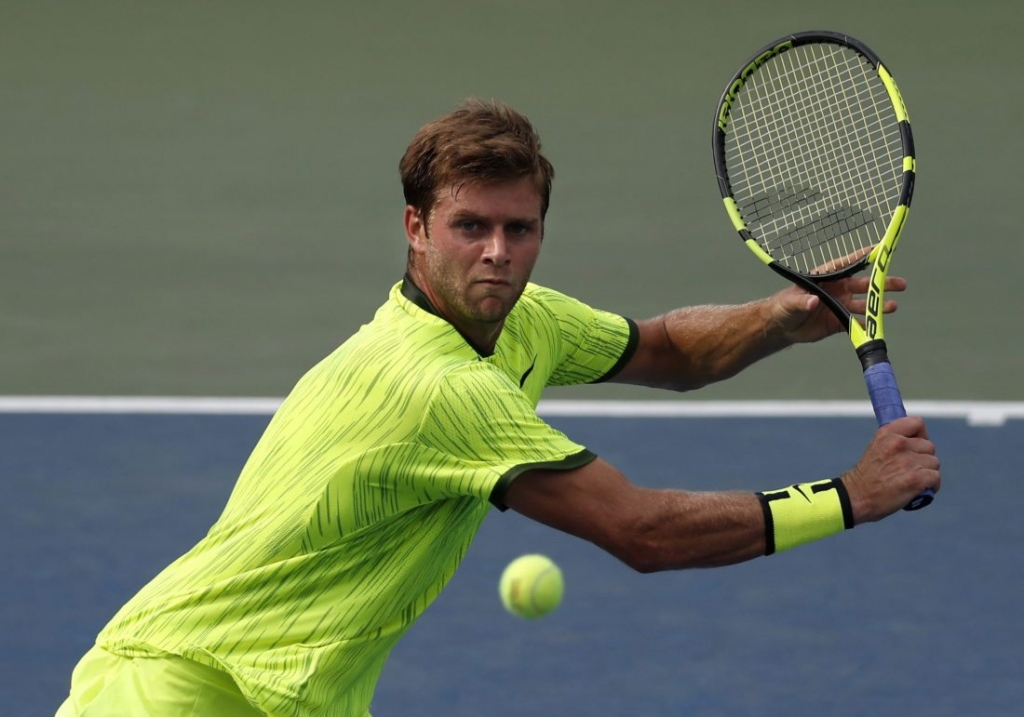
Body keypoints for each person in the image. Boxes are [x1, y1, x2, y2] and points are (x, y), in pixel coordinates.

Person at [56, 98, 940, 716]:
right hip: (174, 692)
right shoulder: (436, 387)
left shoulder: (524, 320)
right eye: (469, 226)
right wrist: (853, 496)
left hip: (280, 692)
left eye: (519, 230)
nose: (497, 253)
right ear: (415, 228)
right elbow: (643, 531)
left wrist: (781, 317)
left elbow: (666, 349)